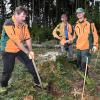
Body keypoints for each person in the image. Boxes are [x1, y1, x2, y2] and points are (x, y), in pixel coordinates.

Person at [0, 6, 41, 94]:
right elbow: (16, 41)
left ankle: (37, 82)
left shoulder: (24, 25)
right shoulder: (8, 23)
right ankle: (3, 86)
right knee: (8, 70)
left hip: (19, 48)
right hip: (7, 50)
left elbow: (28, 38)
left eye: (25, 16)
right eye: (22, 16)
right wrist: (27, 52)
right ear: (16, 15)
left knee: (30, 63)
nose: (24, 18)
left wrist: (31, 51)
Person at [73, 8, 98, 72]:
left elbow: (95, 34)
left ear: (83, 13)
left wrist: (95, 45)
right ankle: (80, 70)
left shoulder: (90, 23)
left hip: (87, 46)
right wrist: (69, 41)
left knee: (84, 63)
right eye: (77, 13)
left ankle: (86, 75)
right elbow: (74, 36)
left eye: (80, 13)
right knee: (79, 61)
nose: (78, 14)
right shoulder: (76, 25)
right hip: (78, 47)